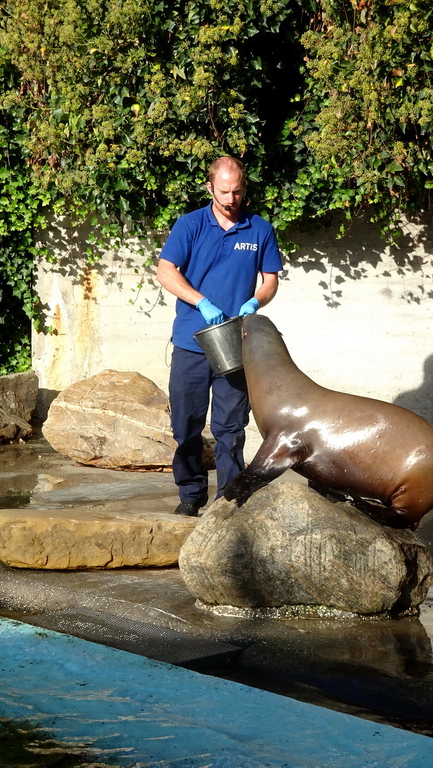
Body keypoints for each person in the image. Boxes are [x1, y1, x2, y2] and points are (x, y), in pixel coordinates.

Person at [156, 156, 283, 516]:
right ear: (210, 187)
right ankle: (190, 495)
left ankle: (227, 501)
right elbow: (165, 271)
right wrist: (201, 301)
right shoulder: (190, 225)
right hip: (191, 341)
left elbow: (270, 279)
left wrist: (255, 301)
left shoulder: (259, 229)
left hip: (235, 342)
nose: (231, 199)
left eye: (238, 192)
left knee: (231, 428)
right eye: (224, 192)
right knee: (186, 426)